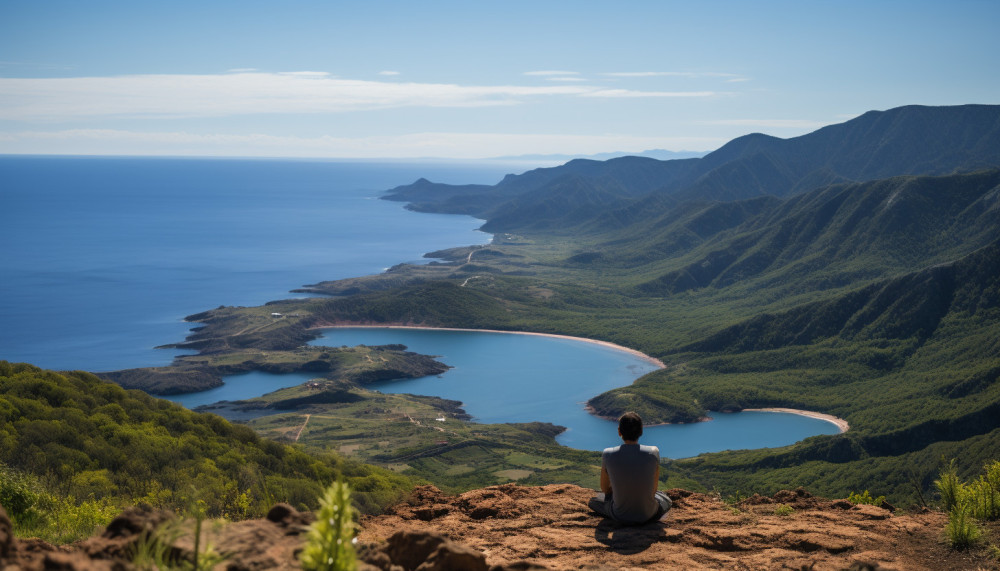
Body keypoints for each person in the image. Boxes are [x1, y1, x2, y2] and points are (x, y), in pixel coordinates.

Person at [588, 411, 671, 525]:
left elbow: (605, 489)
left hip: (619, 515)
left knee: (594, 501)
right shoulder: (653, 452)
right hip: (648, 515)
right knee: (665, 497)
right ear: (641, 431)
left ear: (619, 431)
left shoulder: (608, 454)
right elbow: (653, 489)